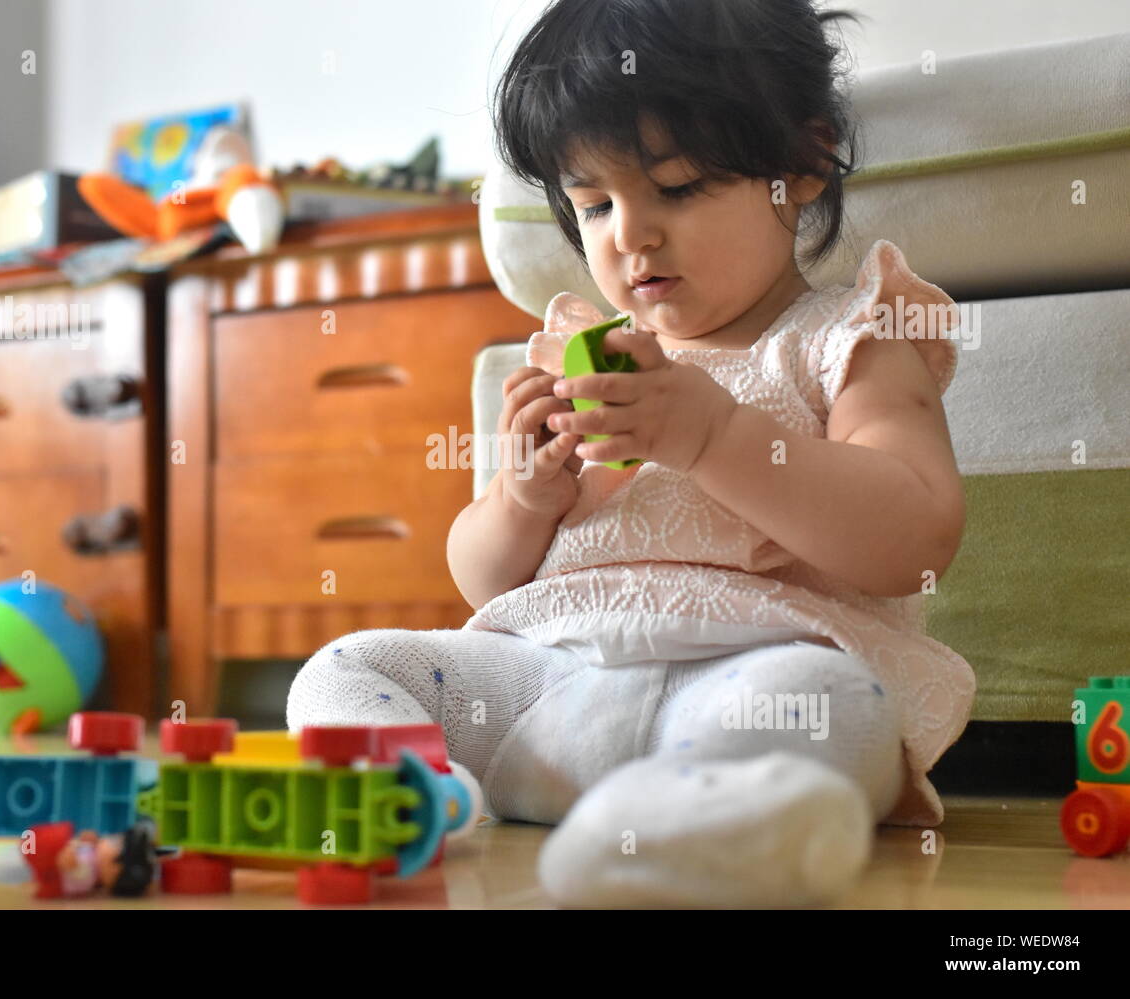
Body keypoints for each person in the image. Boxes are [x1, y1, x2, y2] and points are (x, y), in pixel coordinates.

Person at [288, 0, 974, 907]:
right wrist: (524, 497)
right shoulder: (582, 356)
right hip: (551, 693)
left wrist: (715, 436)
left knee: (832, 700)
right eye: (595, 203)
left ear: (804, 163)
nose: (630, 235)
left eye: (679, 187)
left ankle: (682, 831)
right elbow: (485, 582)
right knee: (348, 666)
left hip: (749, 680)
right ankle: (407, 798)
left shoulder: (851, 338)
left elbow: (913, 534)